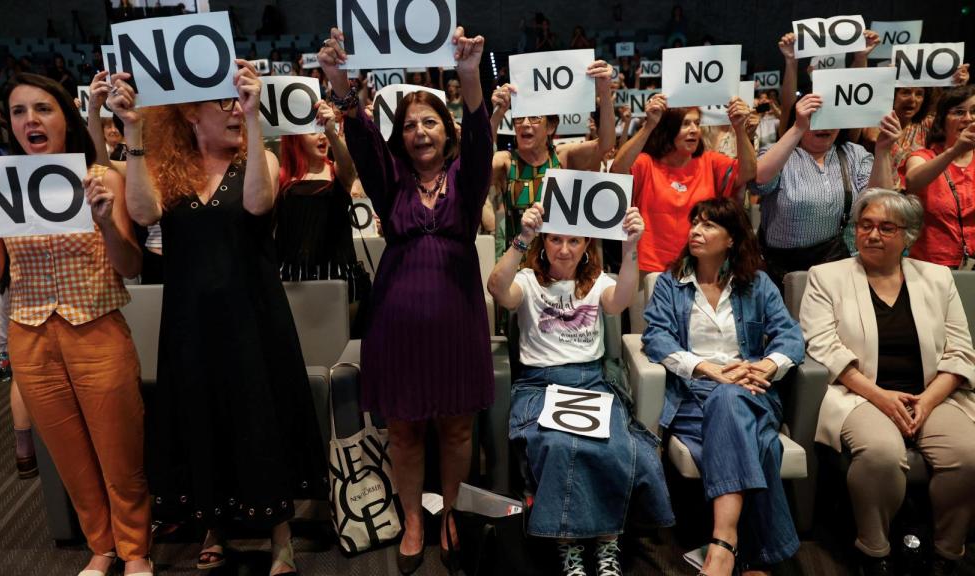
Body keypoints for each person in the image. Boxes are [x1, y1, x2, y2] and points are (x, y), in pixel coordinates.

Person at [108, 59, 326, 575]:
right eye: (222, 103)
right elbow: (141, 214)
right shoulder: (166, 167)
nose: (232, 109)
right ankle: (214, 526)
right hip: (190, 321)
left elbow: (258, 204)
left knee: (260, 415)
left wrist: (254, 119)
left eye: (237, 100)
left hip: (254, 316)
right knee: (201, 415)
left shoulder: (262, 157)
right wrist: (133, 131)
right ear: (188, 113)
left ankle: (280, 538)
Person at [0, 73, 152, 576]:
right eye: (18, 112)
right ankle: (101, 547)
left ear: (65, 116)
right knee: (69, 457)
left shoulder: (102, 179)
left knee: (120, 450)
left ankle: (134, 551)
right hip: (31, 336)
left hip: (98, 330)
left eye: (42, 109)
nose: (30, 121)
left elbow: (130, 266)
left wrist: (105, 222)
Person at [318, 26, 492, 574]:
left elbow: (484, 139)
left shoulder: (467, 179)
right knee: (404, 428)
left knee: (458, 427)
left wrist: (468, 77)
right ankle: (414, 517)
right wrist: (343, 87)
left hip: (458, 319)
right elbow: (365, 142)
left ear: (448, 131)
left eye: (431, 122)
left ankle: (453, 515)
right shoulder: (390, 182)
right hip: (395, 321)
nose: (420, 132)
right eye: (410, 124)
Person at [487, 203, 674, 576]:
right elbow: (496, 288)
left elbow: (621, 301)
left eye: (574, 240)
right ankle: (569, 543)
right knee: (557, 444)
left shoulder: (598, 282)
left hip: (591, 381)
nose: (565, 250)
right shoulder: (528, 280)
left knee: (613, 444)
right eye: (555, 239)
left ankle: (607, 539)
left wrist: (631, 245)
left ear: (587, 243)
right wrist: (522, 238)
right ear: (544, 242)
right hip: (540, 384)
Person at [799, 189, 975, 576]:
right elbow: (824, 347)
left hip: (932, 395)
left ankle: (946, 552)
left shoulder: (938, 278)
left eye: (885, 227)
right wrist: (880, 397)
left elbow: (961, 351)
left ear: (908, 235)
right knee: (880, 454)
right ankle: (874, 549)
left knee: (968, 454)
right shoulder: (827, 277)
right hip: (859, 394)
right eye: (865, 225)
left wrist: (927, 402)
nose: (873, 234)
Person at [643, 198, 805, 576]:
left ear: (732, 239)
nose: (696, 232)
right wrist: (708, 370)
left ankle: (721, 544)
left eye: (709, 225)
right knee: (762, 444)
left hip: (751, 391)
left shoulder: (757, 283)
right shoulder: (672, 283)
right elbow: (657, 338)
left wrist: (763, 367)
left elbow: (791, 337)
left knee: (731, 398)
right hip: (692, 396)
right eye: (694, 224)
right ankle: (756, 560)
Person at [751, 95, 900, 285]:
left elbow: (881, 203)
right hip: (780, 273)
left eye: (831, 117)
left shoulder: (854, 154)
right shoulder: (778, 152)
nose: (824, 125)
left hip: (838, 270)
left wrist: (883, 151)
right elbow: (759, 181)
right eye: (815, 117)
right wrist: (798, 127)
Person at [609, 95, 756, 276]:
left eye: (697, 123)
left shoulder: (710, 162)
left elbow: (748, 172)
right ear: (668, 128)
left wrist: (740, 129)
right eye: (686, 124)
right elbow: (618, 169)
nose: (694, 130)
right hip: (650, 270)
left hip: (700, 268)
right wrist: (649, 125)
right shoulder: (647, 164)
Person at [488, 61, 616, 256]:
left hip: (559, 263)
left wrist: (605, 93)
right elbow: (477, 166)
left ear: (550, 127)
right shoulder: (505, 161)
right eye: (519, 119)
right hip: (518, 266)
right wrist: (497, 115)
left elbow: (605, 143)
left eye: (534, 118)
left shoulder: (563, 157)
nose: (525, 124)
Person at [275, 100, 370, 336]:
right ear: (294, 137)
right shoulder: (280, 178)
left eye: (322, 131)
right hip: (292, 280)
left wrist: (331, 130)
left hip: (340, 279)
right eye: (311, 131)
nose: (320, 138)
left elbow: (348, 168)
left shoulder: (338, 172)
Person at [902, 85, 975, 269]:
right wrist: (954, 151)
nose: (968, 119)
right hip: (931, 266)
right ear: (942, 120)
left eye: (974, 112)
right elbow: (912, 181)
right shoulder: (923, 157)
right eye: (959, 112)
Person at [862, 64, 970, 189]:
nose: (912, 99)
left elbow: (953, 117)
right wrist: (884, 83)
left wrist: (960, 86)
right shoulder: (876, 122)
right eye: (906, 92)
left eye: (919, 94)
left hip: (915, 197)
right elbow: (872, 136)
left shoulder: (926, 125)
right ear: (892, 94)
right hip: (880, 195)